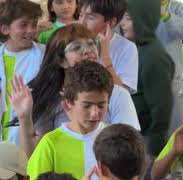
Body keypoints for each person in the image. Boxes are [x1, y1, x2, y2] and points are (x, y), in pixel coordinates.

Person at [7, 24, 140, 157]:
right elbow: (34, 156)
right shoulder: (50, 99)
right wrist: (24, 118)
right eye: (76, 47)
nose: (88, 50)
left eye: (91, 44)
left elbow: (130, 150)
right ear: (62, 61)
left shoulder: (118, 94)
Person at [25, 61, 113, 179]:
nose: (95, 113)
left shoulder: (115, 140)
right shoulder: (50, 144)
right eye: (87, 105)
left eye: (101, 105)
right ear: (68, 104)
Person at [126, 0, 174, 158]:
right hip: (134, 135)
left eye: (129, 19)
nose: (123, 24)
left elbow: (161, 107)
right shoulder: (136, 48)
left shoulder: (154, 56)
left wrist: (153, 149)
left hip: (146, 141)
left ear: (143, 19)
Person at [0, 0, 44, 142]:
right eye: (23, 25)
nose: (31, 30)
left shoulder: (44, 55)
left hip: (29, 134)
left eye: (34, 24)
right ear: (5, 29)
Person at [79, 0, 138, 94]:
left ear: (111, 23)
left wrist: (106, 55)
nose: (82, 22)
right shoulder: (74, 41)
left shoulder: (127, 48)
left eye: (90, 17)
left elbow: (124, 93)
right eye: (81, 15)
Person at [155, 0, 183, 136]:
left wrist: (165, 15)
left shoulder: (178, 8)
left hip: (171, 82)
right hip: (142, 80)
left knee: (175, 132)